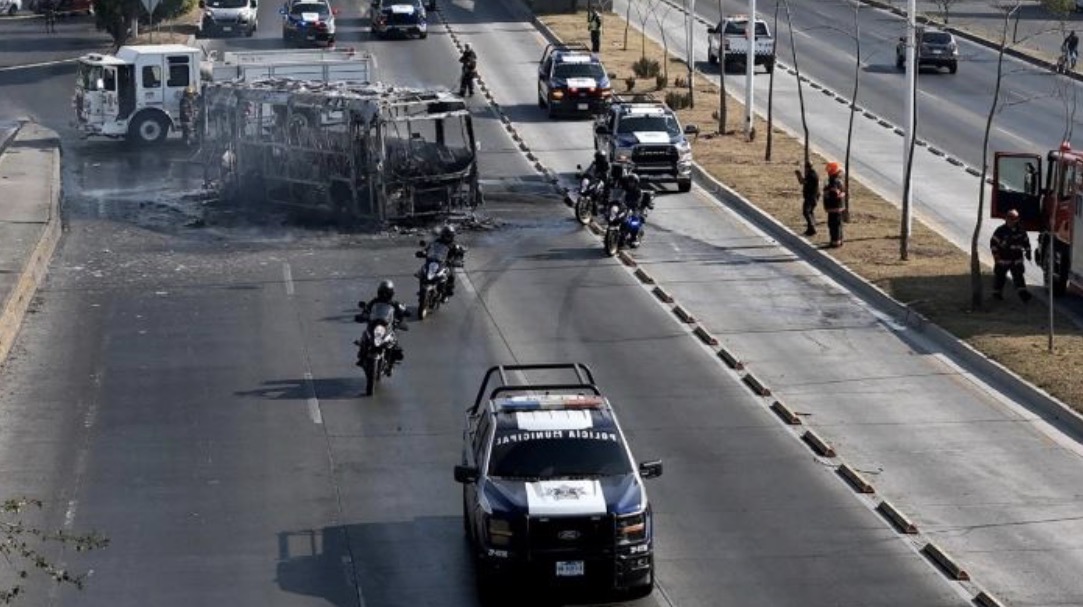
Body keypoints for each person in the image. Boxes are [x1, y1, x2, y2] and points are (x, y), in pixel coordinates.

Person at [356, 280, 407, 365]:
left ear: (391, 293)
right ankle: (362, 356)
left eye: (387, 292)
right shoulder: (374, 301)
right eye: (383, 292)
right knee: (365, 336)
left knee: (393, 340)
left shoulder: (394, 303)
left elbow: (402, 310)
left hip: (387, 325)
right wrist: (363, 316)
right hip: (374, 324)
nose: (384, 295)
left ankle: (393, 358)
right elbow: (366, 309)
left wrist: (404, 314)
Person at [990, 209, 1033, 302]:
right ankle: (997, 294)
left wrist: (1028, 252)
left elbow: (1026, 243)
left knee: (1019, 277)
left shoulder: (1021, 231)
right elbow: (993, 244)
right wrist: (997, 257)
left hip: (1016, 259)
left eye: (1012, 219)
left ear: (1016, 220)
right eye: (1008, 219)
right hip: (1003, 259)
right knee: (1000, 277)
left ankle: (1023, 295)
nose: (1010, 221)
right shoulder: (1000, 231)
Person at [425, 225, 467, 300]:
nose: (447, 237)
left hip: (447, 263)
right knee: (423, 271)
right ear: (443, 234)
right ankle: (423, 287)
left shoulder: (454, 245)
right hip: (435, 260)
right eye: (446, 235)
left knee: (451, 275)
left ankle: (447, 293)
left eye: (449, 235)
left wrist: (459, 260)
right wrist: (424, 252)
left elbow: (460, 253)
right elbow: (429, 248)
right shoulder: (437, 241)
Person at [822, 161, 846, 247]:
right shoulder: (838, 181)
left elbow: (834, 193)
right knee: (837, 225)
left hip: (834, 207)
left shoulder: (833, 182)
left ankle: (835, 242)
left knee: (834, 225)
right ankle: (839, 240)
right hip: (837, 207)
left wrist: (826, 191)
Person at [794, 161, 819, 236]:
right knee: (810, 212)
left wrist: (799, 175)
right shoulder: (812, 173)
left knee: (806, 212)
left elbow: (802, 182)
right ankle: (810, 229)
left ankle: (812, 228)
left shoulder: (812, 175)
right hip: (812, 196)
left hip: (811, 197)